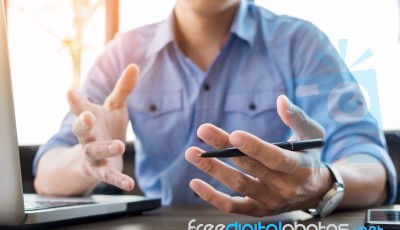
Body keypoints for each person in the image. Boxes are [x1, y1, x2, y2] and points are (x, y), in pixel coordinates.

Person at [33, 0, 397, 217]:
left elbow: (371, 163)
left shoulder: (300, 43)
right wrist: (87, 162)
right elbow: (47, 173)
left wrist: (322, 184)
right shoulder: (122, 53)